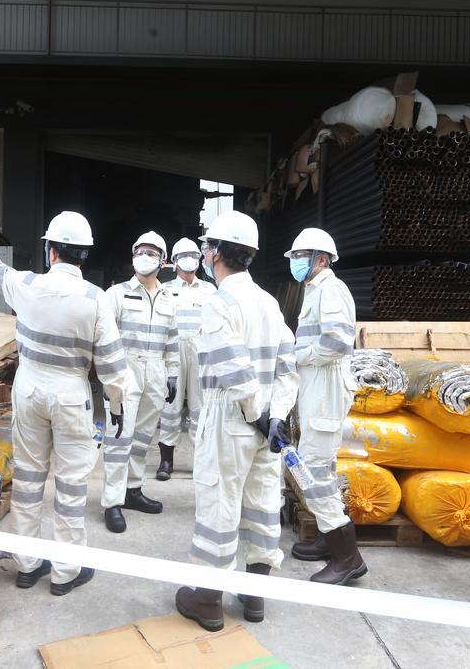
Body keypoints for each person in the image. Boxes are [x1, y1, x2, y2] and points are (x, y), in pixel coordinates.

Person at [0, 211, 135, 596]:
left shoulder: (27, 285)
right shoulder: (95, 299)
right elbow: (113, 367)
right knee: (71, 484)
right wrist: (118, 407)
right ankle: (65, 572)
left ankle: (27, 565)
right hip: (71, 396)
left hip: (29, 390)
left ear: (51, 251)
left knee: (27, 477)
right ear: (83, 256)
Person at [175, 211, 299, 631]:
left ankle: (208, 600)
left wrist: (259, 414)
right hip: (267, 428)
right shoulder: (268, 302)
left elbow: (233, 371)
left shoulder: (218, 305)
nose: (205, 255)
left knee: (220, 506)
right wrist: (276, 417)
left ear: (218, 254)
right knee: (263, 504)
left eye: (208, 248)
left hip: (232, 421)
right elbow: (288, 367)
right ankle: (255, 594)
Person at [284, 228, 366, 586]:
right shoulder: (314, 289)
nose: (295, 262)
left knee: (313, 470)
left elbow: (336, 343)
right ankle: (327, 537)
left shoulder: (331, 289)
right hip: (318, 385)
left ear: (321, 259)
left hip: (326, 385)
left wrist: (297, 356)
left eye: (301, 256)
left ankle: (348, 557)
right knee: (321, 467)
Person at [101, 231, 180, 533]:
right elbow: (104, 341)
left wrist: (172, 375)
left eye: (151, 252)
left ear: (163, 260)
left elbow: (171, 340)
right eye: (139, 251)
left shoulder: (168, 297)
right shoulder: (116, 294)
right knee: (119, 440)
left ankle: (132, 490)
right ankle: (111, 502)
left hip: (156, 378)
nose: (144, 257)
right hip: (124, 377)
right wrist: (110, 380)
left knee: (142, 439)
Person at [154, 238, 217, 481]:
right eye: (184, 255)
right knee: (170, 406)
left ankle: (200, 461)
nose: (189, 259)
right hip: (174, 352)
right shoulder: (165, 289)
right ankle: (166, 462)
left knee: (200, 407)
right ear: (174, 261)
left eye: (193, 254)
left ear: (200, 260)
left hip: (201, 352)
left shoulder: (209, 290)